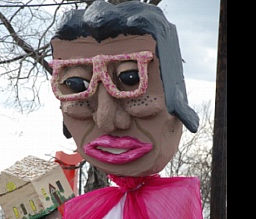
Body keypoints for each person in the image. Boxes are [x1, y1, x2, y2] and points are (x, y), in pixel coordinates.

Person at [49, 0, 202, 218]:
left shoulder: (174, 207)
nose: (106, 119)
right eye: (76, 83)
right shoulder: (82, 211)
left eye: (131, 78)